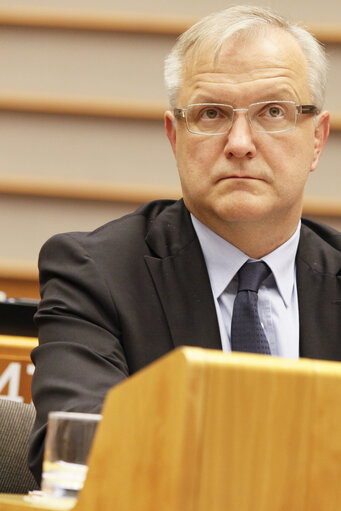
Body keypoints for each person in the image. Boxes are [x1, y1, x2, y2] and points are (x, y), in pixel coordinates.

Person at [29, 5, 341, 483]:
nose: (240, 142)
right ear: (175, 137)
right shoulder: (95, 273)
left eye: (272, 112)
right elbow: (78, 453)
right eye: (211, 114)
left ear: (316, 139)